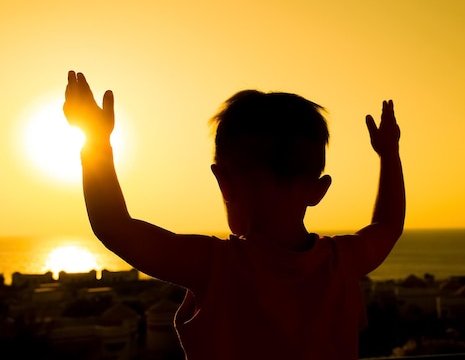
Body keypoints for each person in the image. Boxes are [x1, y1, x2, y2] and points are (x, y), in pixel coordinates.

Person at [63, 70, 405, 360]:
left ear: (224, 183)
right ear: (319, 190)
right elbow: (387, 225)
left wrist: (95, 140)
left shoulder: (214, 266)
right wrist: (389, 154)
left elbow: (114, 226)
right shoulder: (342, 262)